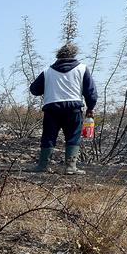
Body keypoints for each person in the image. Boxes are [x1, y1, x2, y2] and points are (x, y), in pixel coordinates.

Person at [29, 43, 97, 175]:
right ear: (74, 54)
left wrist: (49, 86)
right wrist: (90, 107)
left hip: (51, 109)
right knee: (73, 136)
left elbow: (34, 90)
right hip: (73, 108)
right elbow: (91, 92)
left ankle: (43, 165)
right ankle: (70, 167)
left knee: (48, 136)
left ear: (58, 55)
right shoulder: (82, 69)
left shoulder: (47, 71)